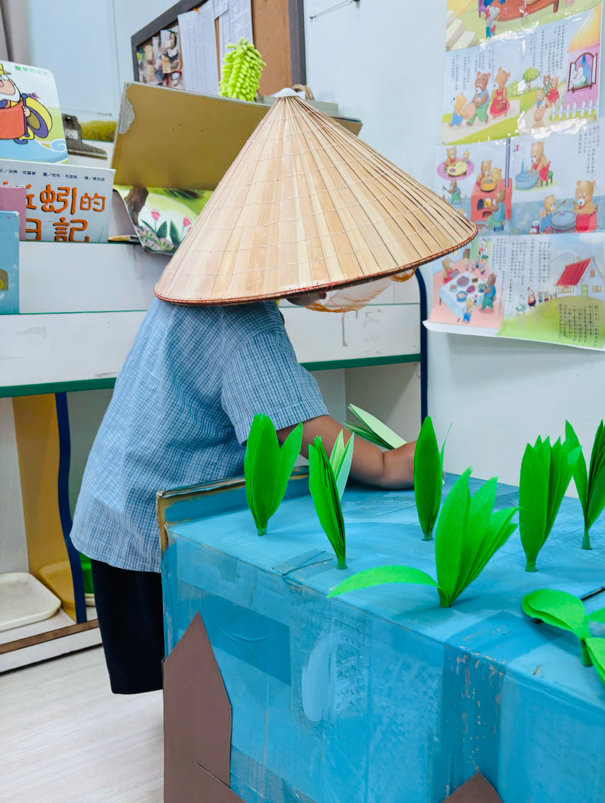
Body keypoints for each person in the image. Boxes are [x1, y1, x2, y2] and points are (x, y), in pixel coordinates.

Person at [71, 288, 415, 695]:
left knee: (181, 674)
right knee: (201, 672)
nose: (327, 288)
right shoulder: (247, 320)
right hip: (156, 522)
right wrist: (383, 465)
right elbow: (290, 421)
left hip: (116, 497)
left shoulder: (191, 286)